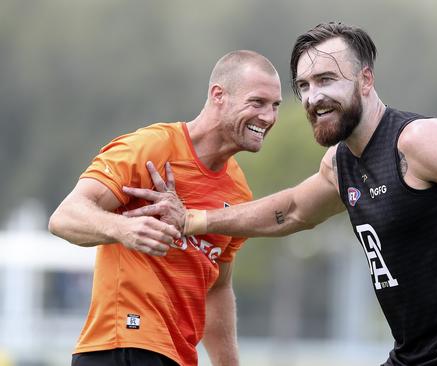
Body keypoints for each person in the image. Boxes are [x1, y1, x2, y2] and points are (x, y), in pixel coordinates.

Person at [123, 23, 437, 366]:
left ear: (366, 80)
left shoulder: (418, 141)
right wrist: (192, 220)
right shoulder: (341, 163)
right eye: (304, 86)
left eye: (327, 80)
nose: (313, 97)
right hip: (412, 355)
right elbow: (287, 212)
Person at [48, 50, 282, 366]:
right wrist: (124, 229)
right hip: (122, 346)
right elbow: (64, 217)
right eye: (257, 103)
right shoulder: (153, 147)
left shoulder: (239, 192)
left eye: (275, 106)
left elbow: (218, 288)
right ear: (218, 96)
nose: (268, 117)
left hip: (179, 357)